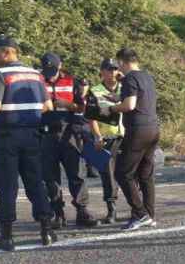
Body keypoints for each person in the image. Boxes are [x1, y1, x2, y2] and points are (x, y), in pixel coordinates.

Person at [0, 35, 57, 251]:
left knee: (7, 185)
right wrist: (29, 112)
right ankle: (46, 230)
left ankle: (7, 237)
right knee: (35, 183)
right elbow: (48, 106)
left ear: (6, 52)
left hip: (7, 136)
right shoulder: (35, 74)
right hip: (32, 135)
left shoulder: (1, 74)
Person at [40, 53, 99, 228]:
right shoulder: (38, 81)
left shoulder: (72, 82)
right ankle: (57, 212)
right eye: (47, 70)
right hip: (46, 134)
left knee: (76, 174)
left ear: (60, 66)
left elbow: (82, 107)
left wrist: (66, 105)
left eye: (53, 70)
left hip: (69, 133)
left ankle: (82, 210)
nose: (50, 74)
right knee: (50, 177)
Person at [103, 48, 160, 231]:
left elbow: (130, 105)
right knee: (145, 174)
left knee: (122, 172)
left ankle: (140, 213)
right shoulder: (147, 76)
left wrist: (111, 109)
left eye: (118, 64)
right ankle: (149, 215)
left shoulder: (129, 78)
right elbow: (138, 100)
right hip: (153, 128)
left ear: (122, 62)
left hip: (137, 131)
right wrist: (117, 97)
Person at [88, 58, 125, 224]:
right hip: (107, 138)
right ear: (101, 72)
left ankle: (138, 208)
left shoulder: (126, 88)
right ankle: (112, 210)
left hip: (126, 136)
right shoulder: (95, 91)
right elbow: (91, 117)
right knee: (108, 176)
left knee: (130, 173)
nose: (112, 72)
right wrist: (97, 136)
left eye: (115, 69)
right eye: (109, 69)